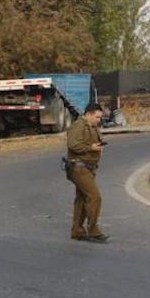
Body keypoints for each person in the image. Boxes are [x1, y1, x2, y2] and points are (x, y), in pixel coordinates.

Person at [65, 103, 108, 243]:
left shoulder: (92, 126)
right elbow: (73, 145)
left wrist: (99, 146)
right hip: (78, 167)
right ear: (88, 114)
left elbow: (95, 141)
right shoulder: (78, 126)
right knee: (95, 197)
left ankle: (77, 230)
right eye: (97, 117)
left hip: (88, 167)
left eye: (100, 117)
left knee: (82, 198)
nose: (99, 120)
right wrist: (91, 148)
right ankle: (93, 230)